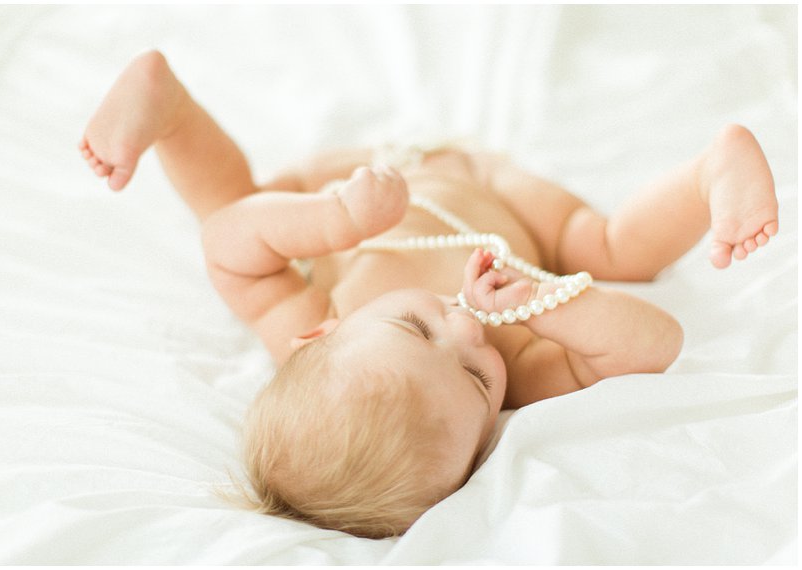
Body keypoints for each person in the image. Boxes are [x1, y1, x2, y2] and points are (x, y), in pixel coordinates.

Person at [79, 50, 779, 539]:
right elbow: (656, 343)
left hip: (366, 179)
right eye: (476, 381)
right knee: (609, 249)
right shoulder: (518, 362)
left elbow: (229, 251)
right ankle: (709, 173)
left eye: (415, 330)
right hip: (497, 193)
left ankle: (167, 107)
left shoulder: (312, 319)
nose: (465, 332)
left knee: (235, 206)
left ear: (320, 340)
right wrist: (546, 297)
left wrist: (337, 220)